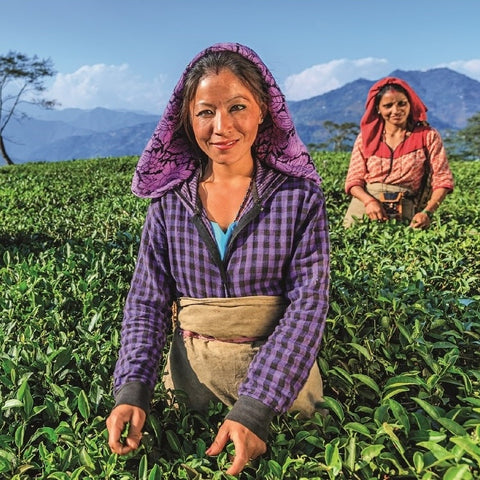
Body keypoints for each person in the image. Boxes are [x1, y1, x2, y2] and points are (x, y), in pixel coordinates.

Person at [106, 43, 330, 476]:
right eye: (206, 112)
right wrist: (132, 391)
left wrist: (255, 409)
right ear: (188, 120)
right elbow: (147, 303)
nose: (221, 126)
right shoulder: (168, 203)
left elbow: (309, 305)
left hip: (284, 387)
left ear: (263, 110)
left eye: (237, 107)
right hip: (192, 380)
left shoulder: (299, 196)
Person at [343, 76, 454, 228]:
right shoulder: (366, 138)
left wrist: (427, 212)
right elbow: (353, 181)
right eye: (388, 106)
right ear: (378, 109)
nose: (396, 111)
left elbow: (442, 180)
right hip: (365, 207)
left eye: (402, 104)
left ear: (410, 104)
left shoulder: (427, 136)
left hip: (405, 207)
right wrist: (369, 201)